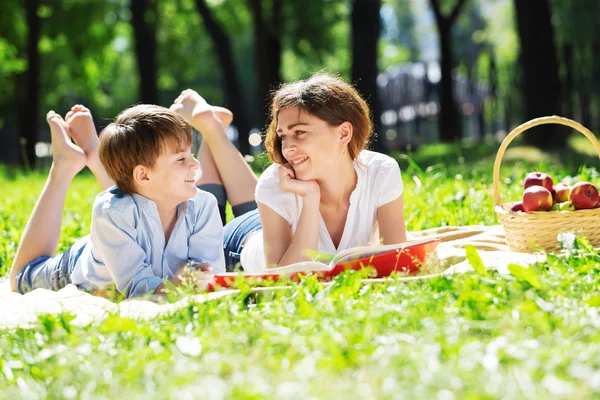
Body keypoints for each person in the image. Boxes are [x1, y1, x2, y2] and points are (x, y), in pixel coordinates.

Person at [173, 73, 407, 272]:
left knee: (267, 196)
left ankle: (212, 127)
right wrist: (310, 198)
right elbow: (285, 278)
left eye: (300, 132)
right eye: (283, 135)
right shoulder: (277, 182)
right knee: (211, 213)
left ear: (344, 133)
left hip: (276, 221)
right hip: (243, 244)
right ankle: (211, 129)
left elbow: (398, 263)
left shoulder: (381, 172)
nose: (287, 147)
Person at [9, 104, 229, 298]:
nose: (195, 165)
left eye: (191, 154)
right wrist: (182, 283)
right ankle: (63, 165)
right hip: (80, 268)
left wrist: (199, 276)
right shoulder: (111, 212)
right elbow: (137, 287)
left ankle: (96, 154)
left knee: (124, 201)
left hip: (117, 238)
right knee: (20, 277)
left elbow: (210, 272)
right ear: (144, 175)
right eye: (181, 159)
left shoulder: (203, 206)